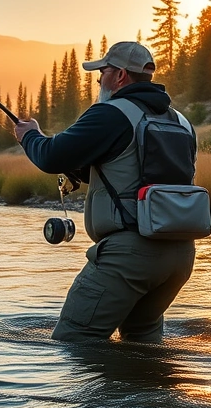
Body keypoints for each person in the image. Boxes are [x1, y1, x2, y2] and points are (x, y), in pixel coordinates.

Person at [14, 41, 197, 342]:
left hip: (130, 255)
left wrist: (29, 135)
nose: (98, 79)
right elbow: (138, 174)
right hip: (179, 256)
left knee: (74, 340)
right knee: (142, 346)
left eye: (103, 71)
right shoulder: (181, 123)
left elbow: (51, 156)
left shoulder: (111, 113)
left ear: (121, 76)